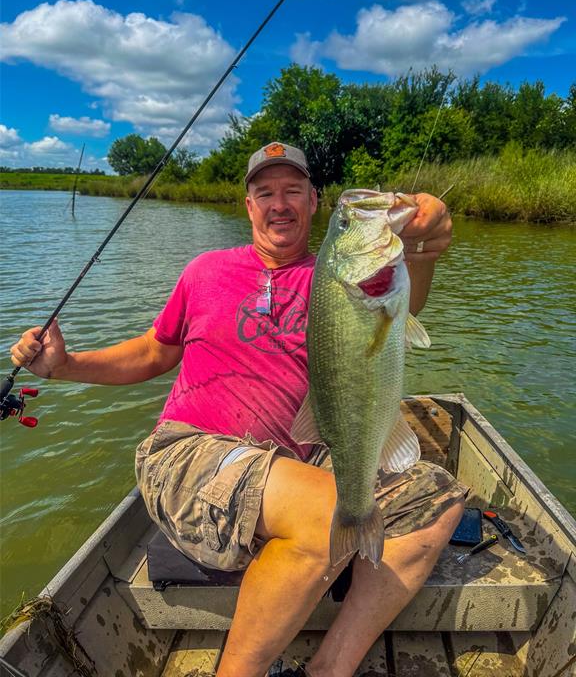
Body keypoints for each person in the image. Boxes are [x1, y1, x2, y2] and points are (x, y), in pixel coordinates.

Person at [11, 142, 467, 677]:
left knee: (435, 500)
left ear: (314, 201)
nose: (280, 203)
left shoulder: (337, 277)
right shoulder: (204, 270)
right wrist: (65, 366)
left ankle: (331, 668)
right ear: (249, 206)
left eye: (293, 190)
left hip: (297, 463)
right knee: (330, 510)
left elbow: (403, 302)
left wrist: (423, 244)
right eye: (265, 193)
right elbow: (154, 352)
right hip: (190, 455)